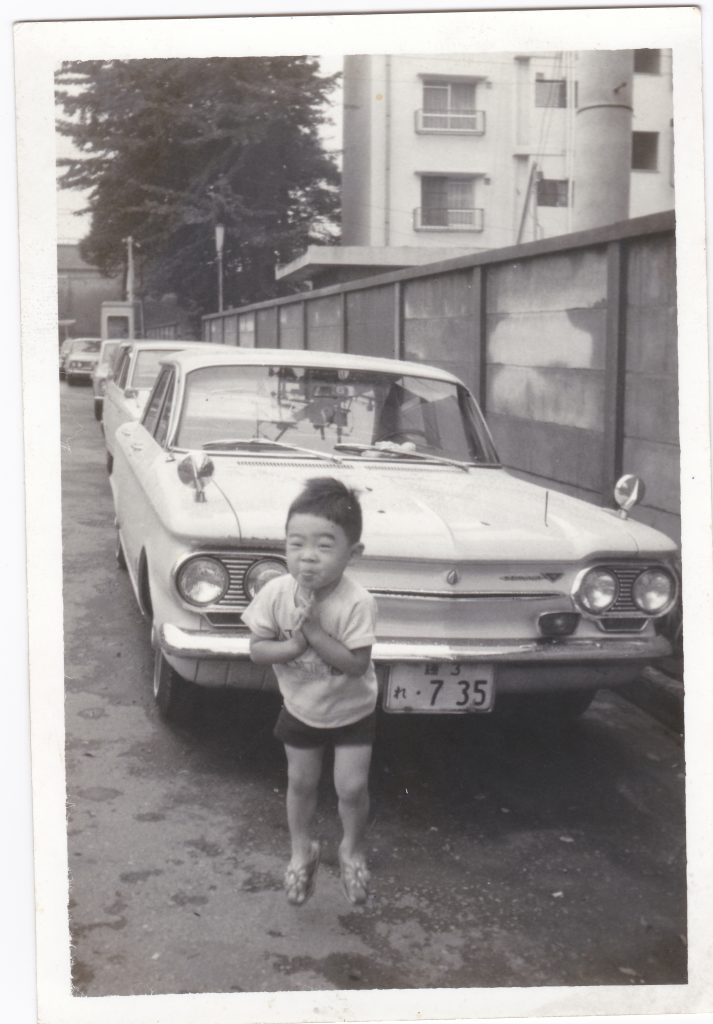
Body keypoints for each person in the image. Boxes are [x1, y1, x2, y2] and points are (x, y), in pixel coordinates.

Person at [242, 477, 378, 907]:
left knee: (351, 788)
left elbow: (356, 664)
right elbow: (257, 650)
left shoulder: (357, 602)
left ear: (353, 553)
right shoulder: (276, 594)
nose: (307, 557)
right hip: (301, 708)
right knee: (300, 783)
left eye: (324, 546)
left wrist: (315, 633)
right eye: (296, 544)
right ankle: (302, 849)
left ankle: (351, 848)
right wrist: (293, 646)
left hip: (353, 711)